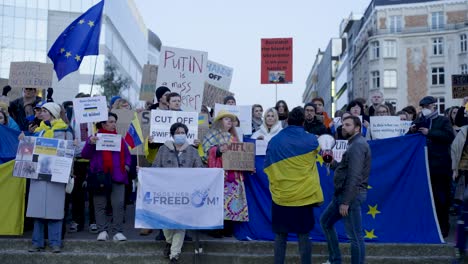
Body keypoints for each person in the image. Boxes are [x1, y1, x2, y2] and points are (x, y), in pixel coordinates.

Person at [264, 106, 324, 264]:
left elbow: (267, 166)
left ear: (287, 121)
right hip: (304, 196)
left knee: (280, 235)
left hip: (281, 196)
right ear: (303, 122)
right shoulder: (311, 139)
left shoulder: (274, 141)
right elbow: (322, 152)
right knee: (304, 235)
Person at [320, 115, 371, 264]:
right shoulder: (353, 144)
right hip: (342, 195)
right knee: (326, 222)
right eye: (343, 125)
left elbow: (354, 176)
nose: (343, 127)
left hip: (350, 197)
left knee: (355, 236)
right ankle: (335, 260)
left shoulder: (358, 145)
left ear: (357, 128)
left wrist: (346, 202)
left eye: (348, 125)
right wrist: (330, 161)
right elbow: (344, 168)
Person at [152, 122, 203, 263]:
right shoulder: (163, 149)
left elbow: (199, 169)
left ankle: (174, 254)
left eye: (183, 132)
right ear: (173, 134)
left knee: (181, 223)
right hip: (166, 192)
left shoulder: (192, 151)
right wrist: (143, 172)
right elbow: (155, 167)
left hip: (185, 194)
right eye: (178, 132)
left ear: (186, 135)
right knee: (166, 221)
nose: (180, 135)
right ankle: (169, 241)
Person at [26, 102, 73, 253]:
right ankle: (37, 242)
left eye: (44, 111)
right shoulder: (39, 130)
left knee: (55, 210)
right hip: (38, 174)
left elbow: (72, 152)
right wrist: (24, 140)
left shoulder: (65, 130)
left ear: (53, 113)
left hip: (57, 175)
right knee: (37, 210)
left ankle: (55, 243)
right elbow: (29, 150)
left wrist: (69, 173)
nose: (41, 113)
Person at [407, 96, 454, 237]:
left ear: (434, 106)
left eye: (426, 107)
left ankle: (443, 226)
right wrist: (412, 130)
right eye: (422, 107)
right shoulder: (419, 120)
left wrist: (430, 133)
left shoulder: (443, 120)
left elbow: (449, 136)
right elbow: (407, 137)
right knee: (426, 197)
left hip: (440, 166)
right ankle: (428, 225)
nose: (424, 110)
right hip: (422, 165)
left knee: (441, 198)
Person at [81, 112, 132, 241]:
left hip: (118, 175)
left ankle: (117, 231)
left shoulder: (119, 138)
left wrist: (126, 165)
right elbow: (85, 155)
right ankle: (102, 230)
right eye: (110, 121)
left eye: (114, 121)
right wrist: (90, 143)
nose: (113, 124)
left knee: (118, 204)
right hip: (100, 176)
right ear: (103, 123)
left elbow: (127, 155)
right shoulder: (94, 137)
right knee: (99, 204)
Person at [202, 110, 248, 237]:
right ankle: (215, 229)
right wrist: (217, 150)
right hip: (218, 175)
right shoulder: (211, 135)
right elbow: (205, 152)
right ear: (219, 121)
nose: (229, 121)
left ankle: (228, 228)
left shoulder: (234, 137)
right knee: (217, 201)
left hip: (233, 175)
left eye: (230, 120)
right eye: (226, 119)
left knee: (231, 201)